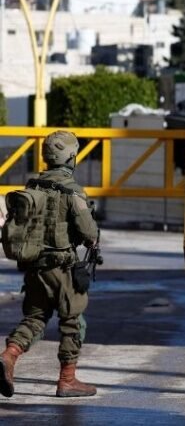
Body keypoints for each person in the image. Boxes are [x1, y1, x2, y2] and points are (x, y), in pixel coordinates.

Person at [0, 131, 99, 398]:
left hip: (34, 267)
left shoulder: (33, 186)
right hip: (61, 268)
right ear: (71, 156)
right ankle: (67, 380)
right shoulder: (72, 190)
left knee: (35, 318)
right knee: (73, 320)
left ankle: (9, 356)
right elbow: (89, 233)